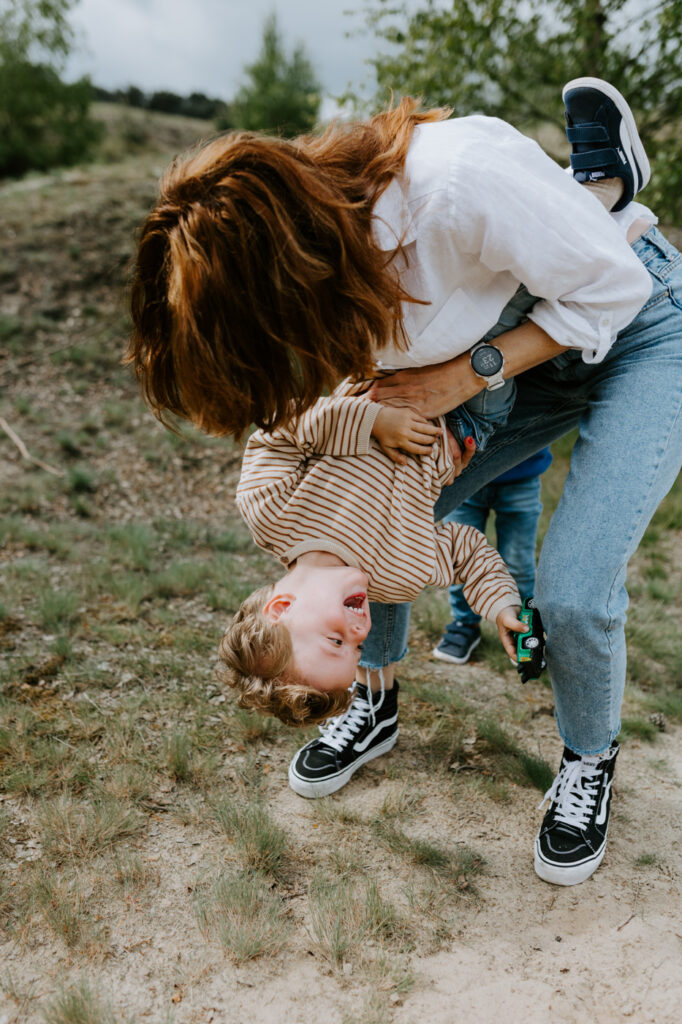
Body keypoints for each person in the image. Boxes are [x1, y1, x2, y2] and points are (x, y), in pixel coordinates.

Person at [127, 77, 682, 887]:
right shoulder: (385, 556)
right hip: (507, 367)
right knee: (369, 571)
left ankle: (589, 760)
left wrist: (457, 378)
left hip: (638, 323)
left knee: (572, 592)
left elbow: (612, 290)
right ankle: (374, 705)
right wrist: (495, 602)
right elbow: (449, 549)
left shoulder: (453, 185)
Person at [219, 382, 523, 786]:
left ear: (282, 608)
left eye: (335, 641)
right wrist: (501, 604)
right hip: (464, 416)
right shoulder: (400, 575)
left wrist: (374, 422)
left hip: (387, 372)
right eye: (357, 648)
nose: (362, 630)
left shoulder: (270, 510)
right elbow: (466, 551)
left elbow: (280, 426)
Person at [433, 448, 552, 665]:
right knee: (460, 559)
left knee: (518, 564)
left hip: (521, 474)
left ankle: (525, 629)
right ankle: (465, 624)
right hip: (464, 475)